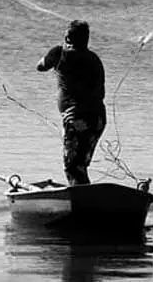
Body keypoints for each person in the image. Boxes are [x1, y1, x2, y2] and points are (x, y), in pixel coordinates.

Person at [37, 20, 106, 185]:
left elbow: (40, 66)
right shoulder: (94, 59)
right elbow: (99, 91)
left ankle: (82, 198)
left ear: (67, 38)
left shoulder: (59, 53)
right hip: (97, 119)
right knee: (80, 166)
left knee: (73, 167)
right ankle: (88, 196)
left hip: (77, 119)